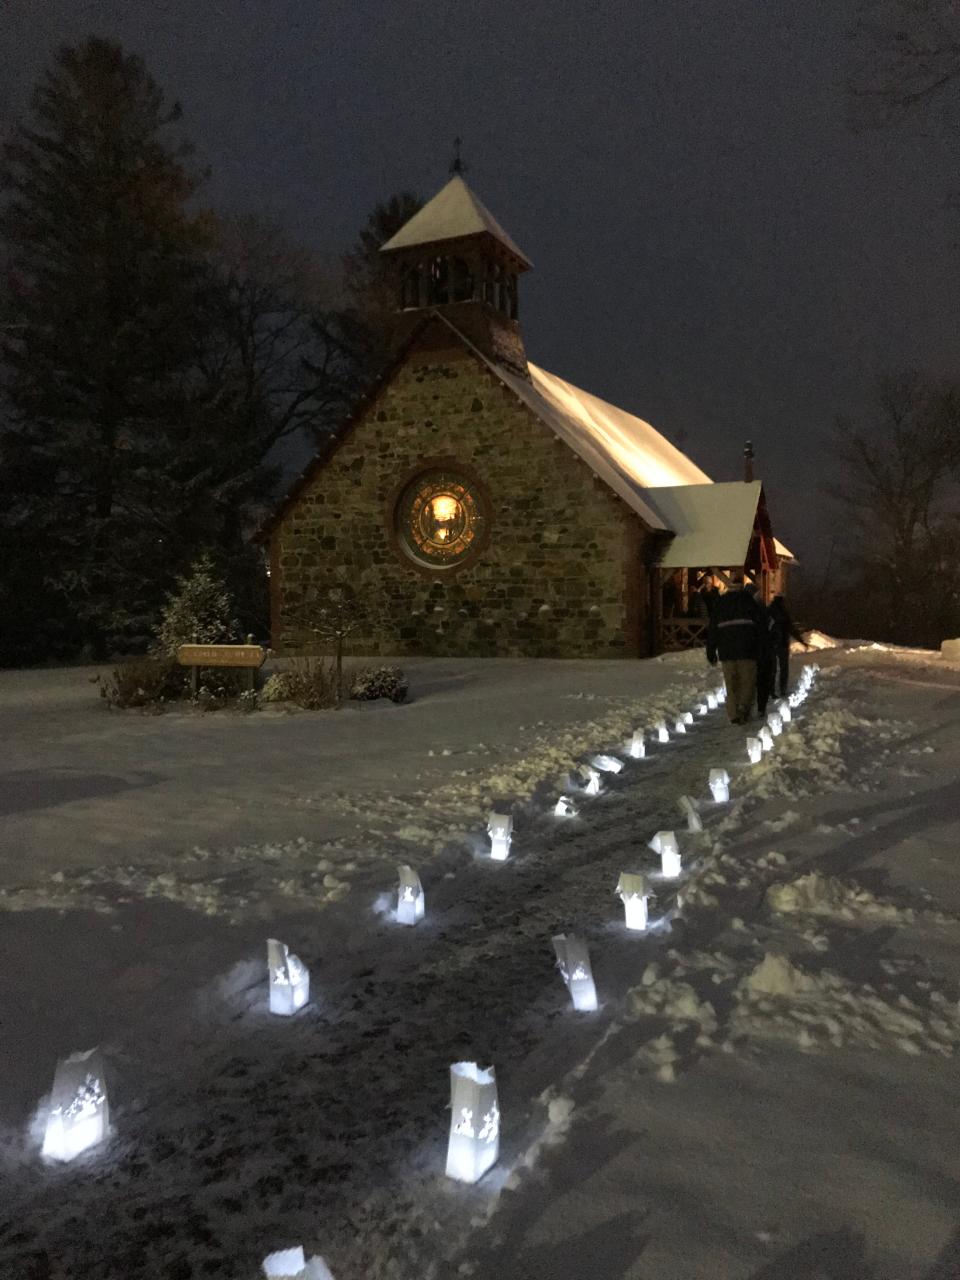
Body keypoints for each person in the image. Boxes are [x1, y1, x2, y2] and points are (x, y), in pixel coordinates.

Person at [706, 573, 763, 725]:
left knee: (731, 684)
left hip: (726, 651)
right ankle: (744, 707)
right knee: (747, 682)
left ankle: (733, 714)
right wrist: (761, 647)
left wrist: (711, 651)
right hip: (747, 650)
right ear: (741, 586)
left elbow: (712, 629)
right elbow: (760, 627)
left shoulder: (721, 603)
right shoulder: (749, 602)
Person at [767, 595, 807, 696]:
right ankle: (782, 689)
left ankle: (771, 690)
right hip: (783, 644)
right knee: (784, 668)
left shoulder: (769, 612)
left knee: (772, 669)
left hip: (771, 644)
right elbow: (791, 629)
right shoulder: (784, 613)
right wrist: (801, 641)